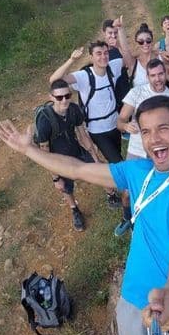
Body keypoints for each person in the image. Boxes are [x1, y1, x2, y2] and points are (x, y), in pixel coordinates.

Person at [0, 96, 169, 335]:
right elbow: (77, 169)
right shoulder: (138, 172)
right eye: (146, 131)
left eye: (163, 128)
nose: (154, 139)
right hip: (134, 293)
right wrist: (29, 150)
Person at [49, 36, 127, 207]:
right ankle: (125, 194)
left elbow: (129, 59)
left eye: (106, 53)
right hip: (97, 130)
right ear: (91, 57)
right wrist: (71, 60)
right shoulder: (84, 76)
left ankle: (112, 191)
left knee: (116, 157)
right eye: (98, 54)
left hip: (115, 125)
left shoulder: (113, 67)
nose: (103, 57)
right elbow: (54, 81)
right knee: (118, 163)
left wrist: (120, 36)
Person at [114, 59, 169, 235]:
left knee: (156, 191)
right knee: (128, 191)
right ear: (147, 76)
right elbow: (120, 120)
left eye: (160, 74)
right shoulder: (136, 93)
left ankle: (149, 223)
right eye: (153, 75)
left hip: (160, 153)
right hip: (136, 150)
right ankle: (127, 217)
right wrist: (126, 126)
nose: (157, 79)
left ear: (165, 74)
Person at [34, 80, 101, 231]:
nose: (64, 100)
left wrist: (95, 158)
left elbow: (82, 133)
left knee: (100, 170)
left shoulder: (74, 110)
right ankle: (74, 209)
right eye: (59, 97)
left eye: (67, 95)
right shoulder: (44, 120)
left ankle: (111, 194)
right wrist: (56, 178)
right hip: (58, 160)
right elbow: (45, 153)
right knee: (66, 187)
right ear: (51, 97)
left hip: (75, 149)